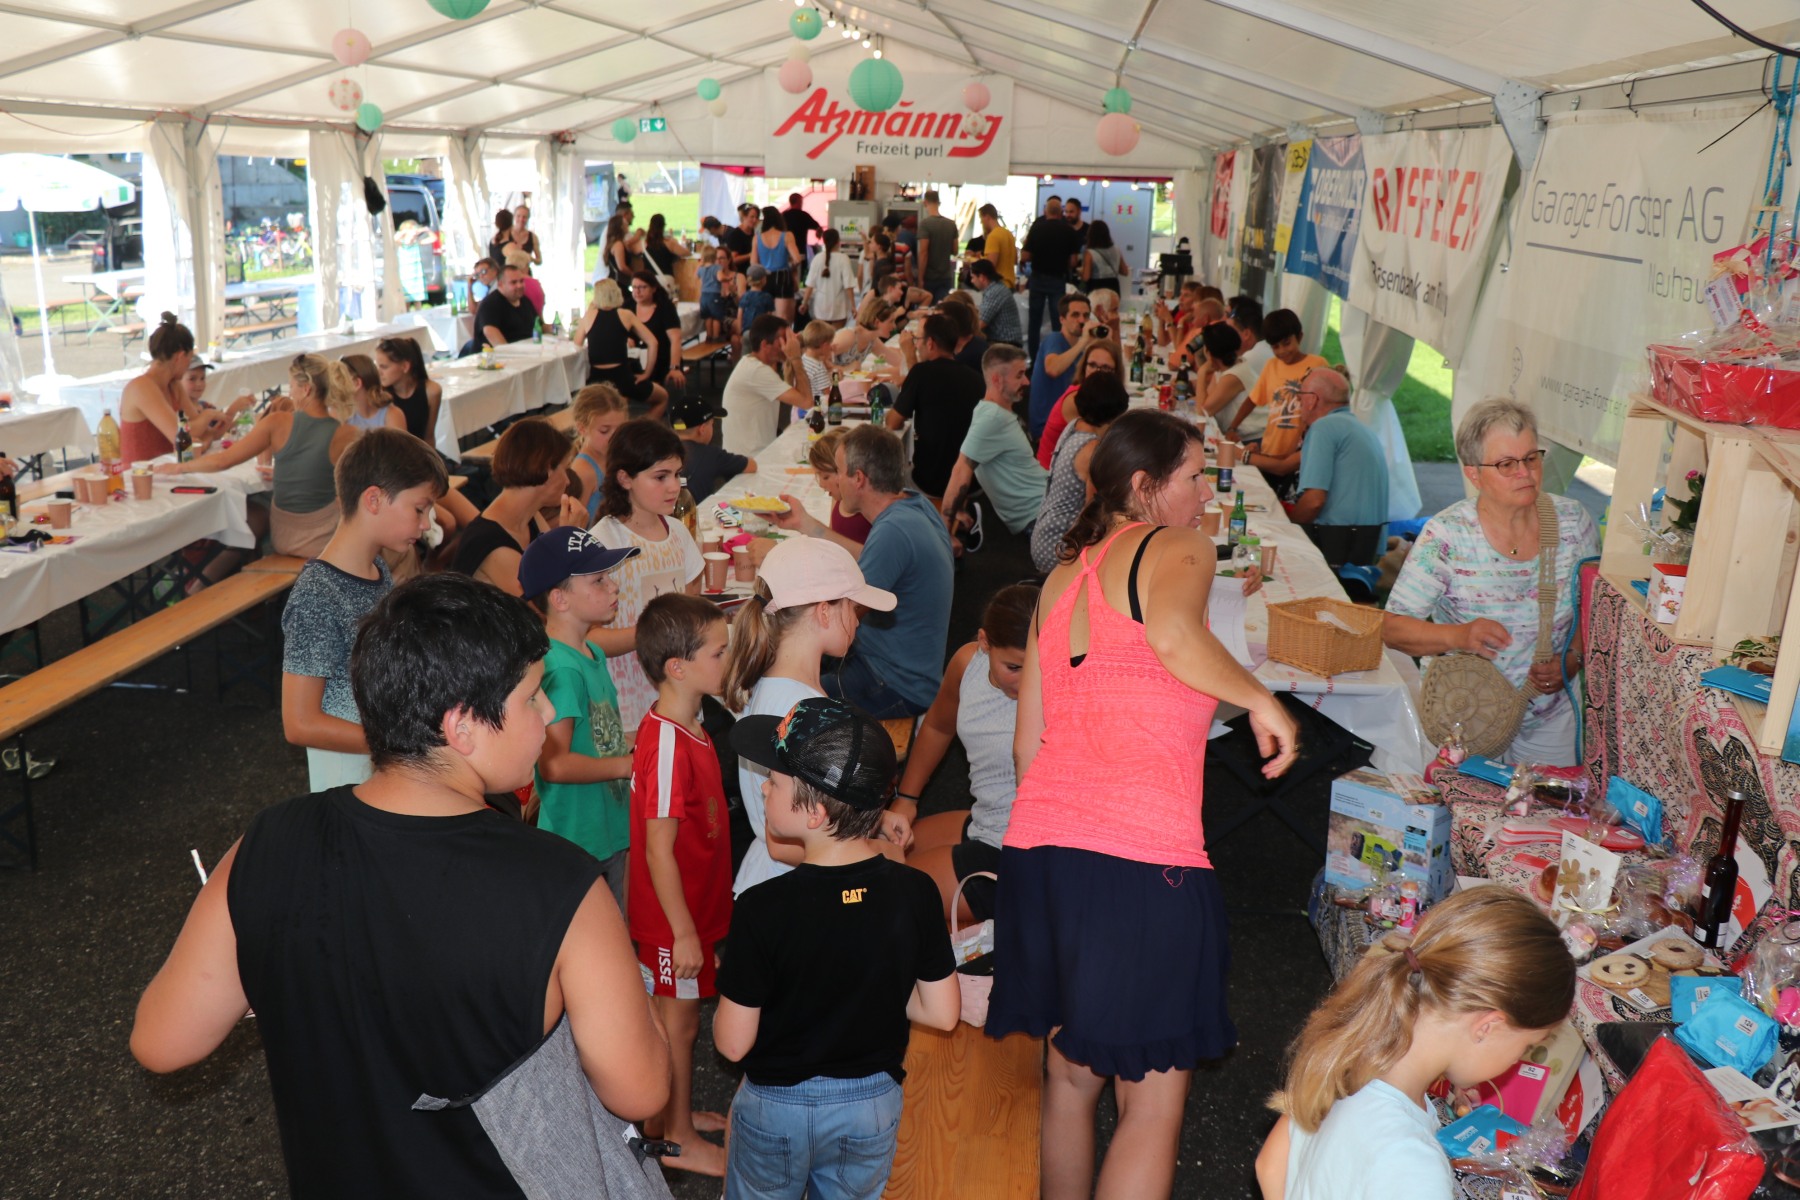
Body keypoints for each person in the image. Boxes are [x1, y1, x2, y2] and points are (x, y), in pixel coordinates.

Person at [132, 573, 672, 1198]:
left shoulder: (269, 839)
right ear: (463, 727)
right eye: (531, 696)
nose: (548, 712)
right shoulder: (560, 882)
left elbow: (162, 1042)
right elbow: (641, 1091)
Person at [989, 409, 1299, 1200]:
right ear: (1145, 486)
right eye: (1195, 478)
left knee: (1069, 1079)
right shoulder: (1178, 548)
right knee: (1152, 1104)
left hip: (1041, 852)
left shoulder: (1061, 579)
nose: (1206, 496)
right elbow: (1172, 636)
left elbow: (1027, 746)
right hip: (1141, 859)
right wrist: (1261, 699)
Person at [716, 697, 960, 1200]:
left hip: (777, 1107)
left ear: (815, 813)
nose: (763, 787)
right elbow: (942, 1013)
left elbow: (733, 1044)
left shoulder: (763, 907)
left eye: (775, 781)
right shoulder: (915, 891)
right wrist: (868, 990)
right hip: (870, 1107)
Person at [1254, 888, 1575, 1200]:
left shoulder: (1352, 1049)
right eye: (1526, 1047)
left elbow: (1270, 1166)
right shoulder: (1414, 1165)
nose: (1518, 1061)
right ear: (1487, 1027)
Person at [1383, 398, 1598, 766]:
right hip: (1466, 715)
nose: (1525, 473)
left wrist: (1573, 657)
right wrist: (1459, 636)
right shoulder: (1446, 536)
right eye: (1506, 464)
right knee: (1465, 804)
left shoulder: (1573, 522)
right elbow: (1391, 628)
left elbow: (1593, 605)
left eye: (1531, 458)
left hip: (1551, 719)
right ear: (1474, 474)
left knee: (1545, 804)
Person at [628, 592, 734, 1178]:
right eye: (718, 653)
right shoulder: (668, 742)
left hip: (690, 909)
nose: (727, 660)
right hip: (673, 922)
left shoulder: (689, 722)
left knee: (679, 1022)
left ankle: (673, 1117)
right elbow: (657, 849)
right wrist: (684, 934)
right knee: (679, 1025)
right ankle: (677, 1140)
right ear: (678, 667)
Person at [722, 538, 897, 894]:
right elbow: (781, 845)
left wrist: (875, 819)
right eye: (852, 607)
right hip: (792, 884)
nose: (858, 621)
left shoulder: (778, 684)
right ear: (824, 612)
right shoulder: (799, 707)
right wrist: (878, 855)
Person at [277, 429, 448, 792]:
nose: (426, 524)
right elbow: (300, 723)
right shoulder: (318, 595)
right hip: (347, 783)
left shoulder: (376, 569)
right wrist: (400, 745)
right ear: (373, 499)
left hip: (382, 767)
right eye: (419, 508)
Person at [769, 424, 952, 719]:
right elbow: (870, 557)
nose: (836, 481)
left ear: (858, 478)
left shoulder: (893, 531)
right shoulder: (913, 505)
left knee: (783, 701)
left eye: (839, 472)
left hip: (895, 681)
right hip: (899, 663)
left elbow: (841, 620)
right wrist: (805, 524)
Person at [897, 584, 1037, 922]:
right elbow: (937, 727)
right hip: (986, 818)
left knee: (891, 897)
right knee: (884, 852)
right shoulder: (967, 663)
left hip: (1016, 849)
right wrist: (906, 799)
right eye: (1014, 667)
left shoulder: (1061, 689)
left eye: (1037, 665)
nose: (1027, 681)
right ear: (984, 642)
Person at [521, 526, 641, 910]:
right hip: (579, 839)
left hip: (607, 827)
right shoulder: (560, 669)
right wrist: (627, 765)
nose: (614, 587)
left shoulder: (590, 652)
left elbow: (596, 736)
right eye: (598, 580)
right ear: (559, 599)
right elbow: (554, 765)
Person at [160, 354, 360, 559]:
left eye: (291, 387)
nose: (290, 393)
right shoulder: (347, 433)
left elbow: (223, 461)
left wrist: (180, 467)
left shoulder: (277, 422)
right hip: (325, 540)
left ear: (306, 389)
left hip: (284, 538)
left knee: (260, 507)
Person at [590, 419, 706, 729]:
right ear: (625, 478)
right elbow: (589, 638)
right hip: (627, 700)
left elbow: (692, 601)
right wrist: (654, 633)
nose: (674, 486)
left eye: (677, 474)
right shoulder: (604, 543)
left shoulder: (678, 533)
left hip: (678, 693)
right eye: (660, 476)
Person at [451, 418, 586, 595]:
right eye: (565, 468)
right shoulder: (494, 546)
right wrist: (570, 538)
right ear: (547, 469)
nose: (567, 481)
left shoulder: (530, 516)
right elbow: (549, 605)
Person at [942, 344, 1048, 545]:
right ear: (997, 380)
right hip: (1040, 515)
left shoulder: (992, 411)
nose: (1026, 381)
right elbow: (961, 470)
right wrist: (945, 534)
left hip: (1047, 502)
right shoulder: (992, 418)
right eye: (1019, 375)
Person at [1288, 367, 1390, 565]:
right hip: (1368, 546)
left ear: (1312, 400)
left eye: (1300, 398)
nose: (1298, 405)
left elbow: (1314, 501)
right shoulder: (1361, 428)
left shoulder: (1323, 427)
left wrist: (1288, 529)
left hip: (1339, 543)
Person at [1032, 372, 1130, 574]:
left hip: (1044, 534)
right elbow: (1093, 513)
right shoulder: (1092, 450)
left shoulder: (1074, 426)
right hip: (1060, 546)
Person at [887, 311, 983, 503]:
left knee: (891, 478)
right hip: (971, 482)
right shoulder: (976, 379)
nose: (917, 345)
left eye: (918, 340)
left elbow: (893, 423)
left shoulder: (921, 373)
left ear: (930, 343)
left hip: (931, 483)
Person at [1224, 308, 1326, 472]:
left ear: (1300, 337)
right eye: (1275, 347)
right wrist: (1232, 427)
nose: (1282, 351)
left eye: (1287, 343)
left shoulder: (1318, 365)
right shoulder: (1271, 365)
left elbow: (1325, 410)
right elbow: (1253, 399)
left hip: (1299, 455)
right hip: (1270, 449)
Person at [118, 314, 227, 463]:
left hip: (169, 468)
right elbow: (181, 436)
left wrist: (204, 438)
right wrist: (208, 415)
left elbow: (201, 433)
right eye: (189, 359)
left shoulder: (173, 385)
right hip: (142, 473)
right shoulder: (141, 388)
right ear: (180, 357)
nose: (188, 365)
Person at [721, 314, 811, 456]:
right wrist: (795, 357)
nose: (787, 344)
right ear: (765, 345)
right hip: (750, 459)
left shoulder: (754, 364)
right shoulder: (756, 371)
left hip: (752, 454)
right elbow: (806, 401)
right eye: (783, 340)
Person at [577, 277, 666, 417]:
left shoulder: (588, 316)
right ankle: (642, 427)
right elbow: (653, 342)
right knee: (663, 397)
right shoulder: (626, 315)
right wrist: (647, 374)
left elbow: (577, 344)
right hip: (622, 378)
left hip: (596, 378)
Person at [1036, 337, 1122, 470]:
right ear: (1084, 367)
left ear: (1116, 372)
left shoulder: (1093, 396)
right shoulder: (1078, 400)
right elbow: (1106, 443)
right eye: (1092, 365)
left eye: (1105, 367)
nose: (1097, 371)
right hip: (1049, 472)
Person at [1026, 292, 1094, 440]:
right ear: (1062, 319)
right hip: (1047, 429)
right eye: (1075, 315)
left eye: (1086, 315)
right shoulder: (1055, 339)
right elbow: (1052, 369)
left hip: (1068, 423)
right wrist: (1084, 342)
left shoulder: (1078, 351)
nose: (1082, 320)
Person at [1021, 195, 1079, 360]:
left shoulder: (1036, 228)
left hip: (1037, 279)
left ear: (1046, 211)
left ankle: (1034, 360)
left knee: (1034, 322)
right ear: (1060, 213)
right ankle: (1057, 357)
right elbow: (1073, 261)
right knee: (1058, 322)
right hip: (1057, 279)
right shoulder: (1069, 231)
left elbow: (1025, 256)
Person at [669, 393, 754, 504]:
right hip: (695, 513)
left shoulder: (659, 451)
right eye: (712, 424)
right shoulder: (712, 454)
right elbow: (751, 466)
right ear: (702, 429)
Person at [1198, 321, 1270, 444]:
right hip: (1242, 437)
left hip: (1255, 440)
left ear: (1209, 352)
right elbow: (1206, 399)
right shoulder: (1228, 368)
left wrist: (1202, 372)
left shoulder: (1234, 376)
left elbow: (1203, 412)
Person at [569, 382, 629, 523]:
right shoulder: (583, 472)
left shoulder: (615, 456)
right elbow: (573, 527)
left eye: (620, 429)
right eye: (604, 431)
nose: (614, 437)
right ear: (582, 428)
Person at [808, 426, 872, 546]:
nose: (821, 484)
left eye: (826, 477)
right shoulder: (838, 498)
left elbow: (871, 554)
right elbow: (831, 536)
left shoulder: (867, 508)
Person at [373, 336, 441, 444]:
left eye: (384, 367)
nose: (378, 372)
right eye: (377, 366)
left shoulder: (432, 391)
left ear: (405, 366)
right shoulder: (379, 395)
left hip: (419, 450)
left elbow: (429, 436)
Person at [629, 270, 686, 396]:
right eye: (634, 287)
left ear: (653, 288)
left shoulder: (665, 308)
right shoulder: (628, 306)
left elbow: (675, 339)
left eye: (642, 287)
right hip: (636, 360)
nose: (637, 291)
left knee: (669, 385)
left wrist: (675, 367)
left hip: (663, 360)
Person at [472, 264, 538, 351]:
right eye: (513, 282)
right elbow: (491, 333)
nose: (519, 285)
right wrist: (514, 354)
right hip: (497, 357)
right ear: (500, 284)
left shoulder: (525, 301)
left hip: (527, 351)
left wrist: (554, 329)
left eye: (521, 281)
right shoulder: (490, 304)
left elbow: (540, 325)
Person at [755, 206, 804, 323]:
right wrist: (790, 266)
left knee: (766, 318)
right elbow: (797, 259)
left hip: (764, 278)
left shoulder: (757, 239)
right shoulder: (787, 236)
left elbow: (753, 263)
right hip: (782, 277)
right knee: (783, 319)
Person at [803, 227, 857, 327]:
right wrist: (853, 306)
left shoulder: (817, 258)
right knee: (837, 335)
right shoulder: (843, 259)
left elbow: (810, 285)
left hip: (820, 307)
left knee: (822, 335)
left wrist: (804, 303)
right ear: (838, 241)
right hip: (838, 307)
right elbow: (848, 286)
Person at [917, 189, 961, 303]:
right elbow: (955, 251)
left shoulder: (925, 224)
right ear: (938, 203)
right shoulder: (951, 224)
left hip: (929, 278)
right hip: (946, 276)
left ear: (925, 202)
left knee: (927, 308)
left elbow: (923, 253)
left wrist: (920, 278)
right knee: (942, 307)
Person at [969, 257, 1024, 350]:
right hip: (1004, 342)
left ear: (982, 277)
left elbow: (980, 323)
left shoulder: (995, 292)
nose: (972, 281)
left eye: (973, 277)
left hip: (1006, 344)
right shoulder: (996, 288)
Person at [340, 353, 404, 432]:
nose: (337, 386)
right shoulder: (343, 418)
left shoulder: (392, 414)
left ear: (356, 383)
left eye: (340, 380)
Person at [978, 203, 1017, 288]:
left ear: (987, 217)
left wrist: (977, 262)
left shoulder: (993, 236)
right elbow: (1015, 260)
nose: (981, 222)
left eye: (981, 218)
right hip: (1010, 284)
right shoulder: (1009, 234)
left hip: (998, 285)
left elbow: (990, 265)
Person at [1081, 219, 1124, 295]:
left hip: (1097, 287)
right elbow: (1125, 271)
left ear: (1090, 235)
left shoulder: (1090, 253)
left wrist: (1081, 273)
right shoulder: (1116, 250)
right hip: (1114, 286)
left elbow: (1086, 277)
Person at [737, 264, 776, 345]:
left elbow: (740, 315)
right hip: (760, 333)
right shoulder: (767, 297)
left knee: (746, 351)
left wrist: (740, 332)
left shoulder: (745, 296)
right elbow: (769, 317)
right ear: (763, 280)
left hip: (746, 332)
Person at [722, 203, 759, 272]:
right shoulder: (735, 235)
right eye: (752, 217)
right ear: (744, 217)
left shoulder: (754, 233)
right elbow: (733, 259)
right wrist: (750, 255)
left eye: (756, 217)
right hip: (740, 273)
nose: (755, 220)